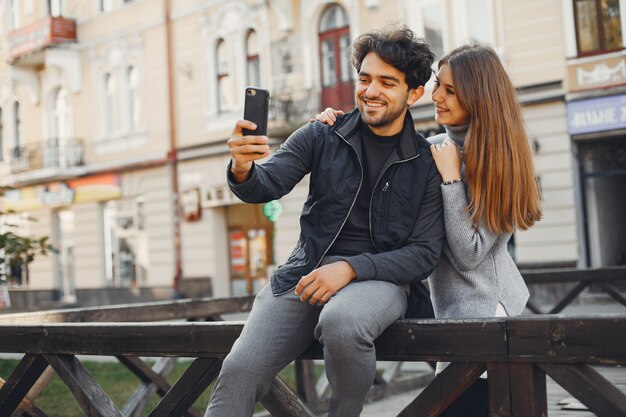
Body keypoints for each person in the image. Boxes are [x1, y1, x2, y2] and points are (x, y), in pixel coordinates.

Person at [204, 26, 445, 417]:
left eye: (387, 82)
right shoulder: (322, 134)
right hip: (304, 273)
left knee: (342, 319)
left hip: (379, 282)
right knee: (238, 369)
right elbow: (266, 184)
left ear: (414, 93)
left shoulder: (426, 162)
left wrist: (351, 268)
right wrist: (243, 166)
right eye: (365, 79)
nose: (370, 91)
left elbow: (423, 254)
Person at [315, 43, 542, 417]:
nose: (436, 96)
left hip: (489, 320)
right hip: (449, 316)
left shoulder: (500, 161)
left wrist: (452, 180)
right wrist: (337, 128)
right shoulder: (434, 146)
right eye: (438, 84)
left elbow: (469, 254)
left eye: (450, 90)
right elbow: (382, 160)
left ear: (480, 96)